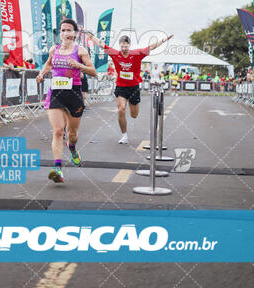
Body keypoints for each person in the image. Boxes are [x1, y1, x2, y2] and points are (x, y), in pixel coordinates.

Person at [85, 31, 173, 144]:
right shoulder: (115, 54)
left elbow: (151, 47)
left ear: (129, 46)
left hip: (134, 87)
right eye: (122, 46)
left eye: (126, 46)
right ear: (120, 45)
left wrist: (164, 40)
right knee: (121, 109)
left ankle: (133, 110)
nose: (124, 49)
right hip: (121, 87)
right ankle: (124, 135)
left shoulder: (137, 53)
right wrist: (90, 36)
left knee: (134, 115)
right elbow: (101, 44)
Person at [36, 19, 96, 183]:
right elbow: (48, 65)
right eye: (63, 30)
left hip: (74, 94)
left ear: (75, 33)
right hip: (56, 93)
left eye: (69, 30)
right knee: (58, 131)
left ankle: (72, 147)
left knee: (72, 134)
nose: (66, 33)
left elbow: (93, 72)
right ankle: (58, 169)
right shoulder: (53, 49)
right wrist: (42, 74)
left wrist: (78, 65)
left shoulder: (81, 50)